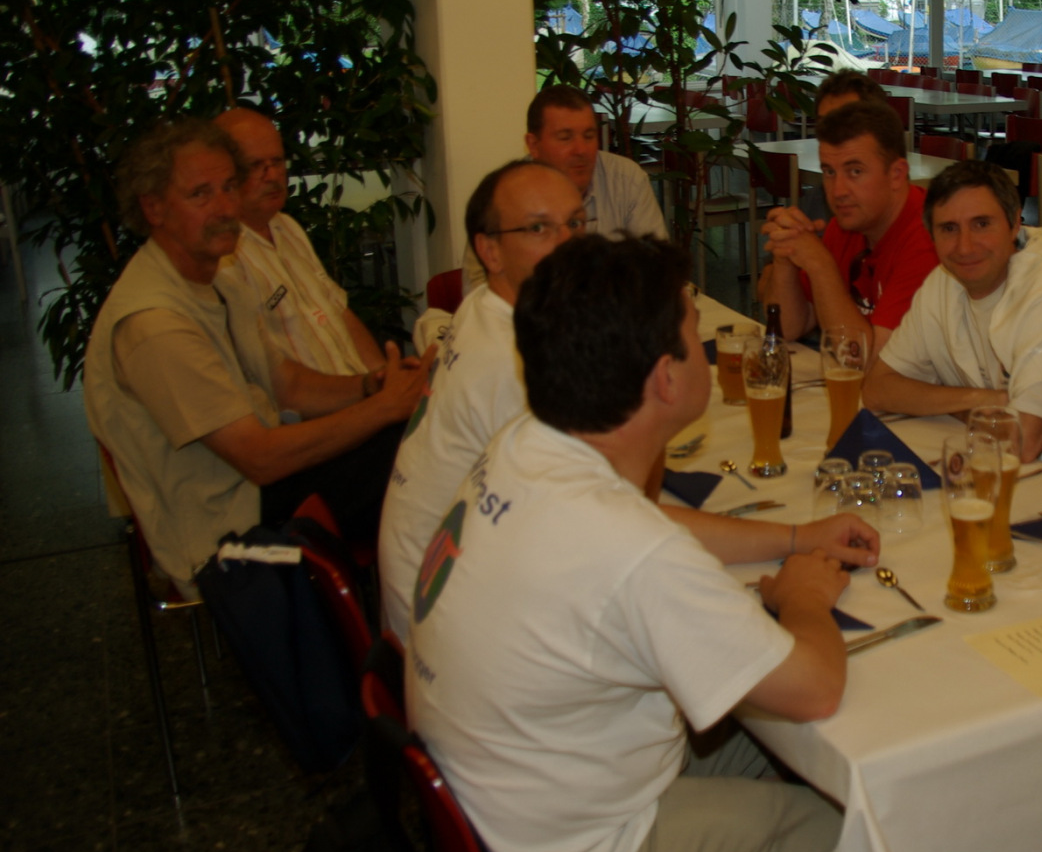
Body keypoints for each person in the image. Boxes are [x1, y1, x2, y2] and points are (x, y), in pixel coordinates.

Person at [408, 235, 873, 852]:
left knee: (791, 750)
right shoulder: (630, 551)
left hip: (517, 797)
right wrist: (804, 597)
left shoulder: (525, 445)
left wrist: (795, 537)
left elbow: (647, 523)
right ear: (665, 380)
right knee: (869, 844)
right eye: (694, 333)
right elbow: (814, 688)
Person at [84, 120, 431, 595]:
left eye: (229, 187)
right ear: (154, 208)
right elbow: (259, 458)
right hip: (229, 526)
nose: (225, 208)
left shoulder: (220, 281)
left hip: (257, 484)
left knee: (424, 440)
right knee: (418, 459)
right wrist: (383, 409)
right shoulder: (154, 324)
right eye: (201, 194)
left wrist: (371, 386)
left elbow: (288, 384)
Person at [377, 160, 584, 645]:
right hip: (452, 629)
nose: (569, 245)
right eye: (539, 228)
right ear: (490, 251)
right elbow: (589, 525)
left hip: (435, 586)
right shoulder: (512, 364)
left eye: (575, 223)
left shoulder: (484, 307)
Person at [862, 160, 1042, 461]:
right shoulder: (943, 281)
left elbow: (1024, 443)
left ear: (1015, 223)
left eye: (981, 224)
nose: (965, 247)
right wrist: (982, 400)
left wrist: (943, 401)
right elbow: (877, 388)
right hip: (986, 457)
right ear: (931, 235)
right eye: (949, 229)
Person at [213, 106, 385, 376]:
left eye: (277, 162)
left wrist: (384, 378)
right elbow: (267, 377)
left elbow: (339, 313)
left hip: (359, 388)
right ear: (223, 175)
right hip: (313, 400)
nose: (272, 176)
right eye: (256, 166)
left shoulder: (287, 227)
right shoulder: (221, 256)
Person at [758, 99, 938, 354]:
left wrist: (820, 264)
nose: (838, 191)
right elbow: (786, 328)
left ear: (896, 175)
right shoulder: (848, 224)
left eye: (855, 172)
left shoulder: (930, 238)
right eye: (829, 172)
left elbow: (865, 358)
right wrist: (785, 255)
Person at [462, 84, 666, 290]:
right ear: (533, 145)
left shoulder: (626, 180)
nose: (581, 150)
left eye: (588, 136)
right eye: (565, 138)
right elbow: (477, 289)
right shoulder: (503, 194)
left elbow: (658, 268)